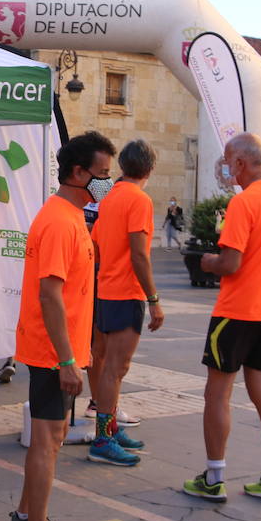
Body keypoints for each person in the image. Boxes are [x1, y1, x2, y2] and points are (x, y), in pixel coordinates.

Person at [182, 133, 261, 504]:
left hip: (235, 312)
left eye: (227, 160)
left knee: (216, 395)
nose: (226, 167)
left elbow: (230, 263)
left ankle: (214, 476)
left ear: (240, 163)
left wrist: (208, 262)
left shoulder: (244, 203)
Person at [10, 131, 117, 521]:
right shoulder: (58, 221)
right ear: (78, 173)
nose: (107, 184)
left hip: (60, 349)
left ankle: (26, 515)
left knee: (50, 438)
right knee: (47, 439)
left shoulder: (71, 217)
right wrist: (68, 360)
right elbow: (49, 294)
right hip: (52, 351)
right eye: (103, 175)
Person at [87, 139, 162, 465]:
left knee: (104, 364)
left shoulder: (111, 198)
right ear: (149, 168)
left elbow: (97, 248)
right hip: (126, 292)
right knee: (116, 370)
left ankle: (111, 427)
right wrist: (154, 299)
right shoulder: (139, 200)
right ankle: (103, 438)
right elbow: (139, 255)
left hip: (105, 290)